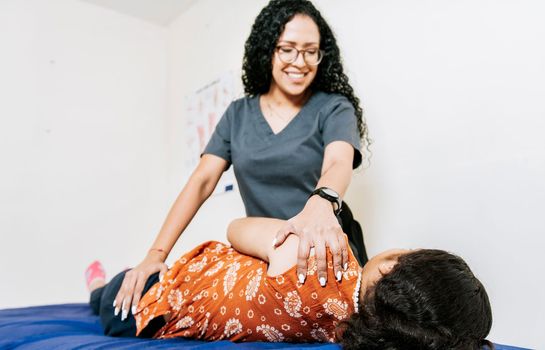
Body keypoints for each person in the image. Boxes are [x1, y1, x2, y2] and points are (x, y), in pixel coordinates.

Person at [115, 0, 371, 323]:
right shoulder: (238, 114)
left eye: (310, 51)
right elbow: (202, 181)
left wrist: (322, 203)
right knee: (140, 299)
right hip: (265, 249)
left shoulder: (334, 107)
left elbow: (338, 161)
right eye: (287, 49)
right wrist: (155, 255)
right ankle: (99, 283)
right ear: (268, 50)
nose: (300, 61)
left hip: (320, 246)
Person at [87, 217, 493, 349]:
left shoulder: (307, 253)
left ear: (389, 267)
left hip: (153, 300)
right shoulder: (354, 335)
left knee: (106, 295)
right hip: (187, 298)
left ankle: (98, 282)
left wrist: (287, 230)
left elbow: (235, 228)